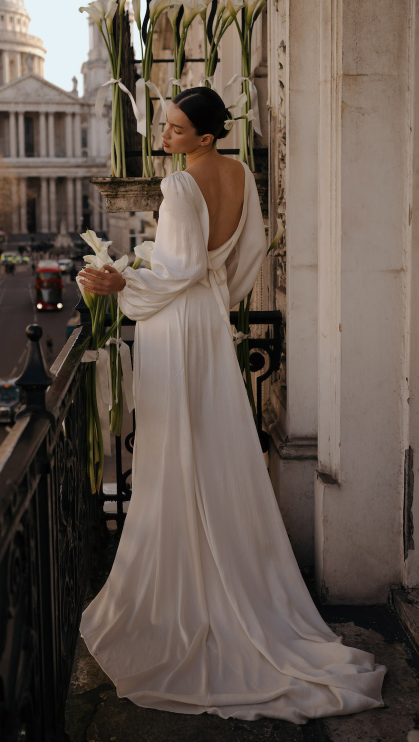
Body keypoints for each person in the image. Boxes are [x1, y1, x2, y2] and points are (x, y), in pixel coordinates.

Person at [78, 87, 386, 724]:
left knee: (174, 447)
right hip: (211, 326)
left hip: (177, 324)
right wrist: (204, 293)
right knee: (213, 445)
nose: (164, 135)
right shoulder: (242, 174)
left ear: (204, 136)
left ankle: (185, 594)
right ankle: (226, 576)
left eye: (176, 128)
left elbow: (180, 268)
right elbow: (244, 256)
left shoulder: (179, 187)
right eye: (165, 125)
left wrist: (120, 280)